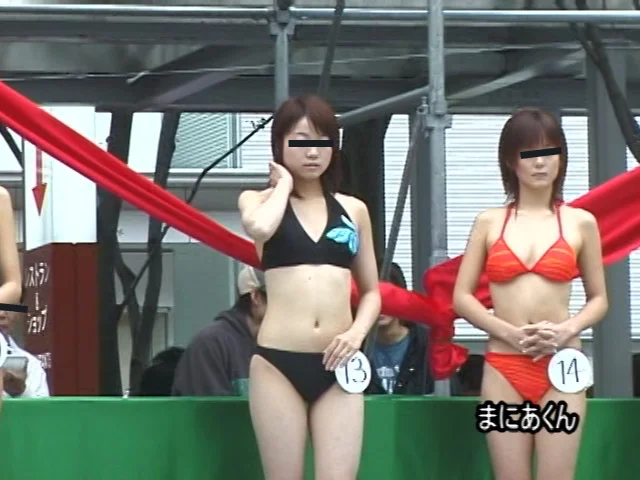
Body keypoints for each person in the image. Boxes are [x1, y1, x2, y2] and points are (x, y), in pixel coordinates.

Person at [453, 107, 608, 480]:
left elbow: (600, 299)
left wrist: (565, 330)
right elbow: (462, 297)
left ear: (561, 158)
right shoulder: (489, 222)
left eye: (549, 152)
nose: (540, 163)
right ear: (511, 160)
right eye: (529, 153)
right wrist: (509, 333)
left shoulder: (581, 222)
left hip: (562, 365)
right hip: (503, 367)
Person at [238, 94, 380, 480]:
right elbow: (260, 228)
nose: (313, 152)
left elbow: (372, 291)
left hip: (339, 362)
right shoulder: (258, 201)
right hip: (277, 363)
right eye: (300, 141)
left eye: (322, 141)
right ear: (280, 145)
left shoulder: (353, 210)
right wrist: (283, 184)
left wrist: (356, 333)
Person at [171, 265, 267, 397]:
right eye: (282, 297)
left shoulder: (277, 345)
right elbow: (210, 408)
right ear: (256, 297)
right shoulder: (211, 343)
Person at [366, 262, 433, 395]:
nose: (381, 304)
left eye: (388, 296)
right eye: (375, 298)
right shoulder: (353, 346)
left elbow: (449, 393)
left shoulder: (427, 344)